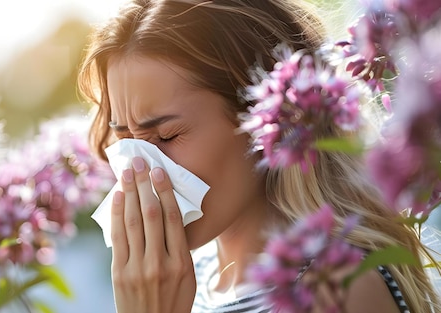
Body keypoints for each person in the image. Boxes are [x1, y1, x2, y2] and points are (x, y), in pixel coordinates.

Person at [77, 0, 441, 312]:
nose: (139, 165)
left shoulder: (334, 288)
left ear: (264, 120)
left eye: (166, 135)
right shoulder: (190, 279)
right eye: (124, 137)